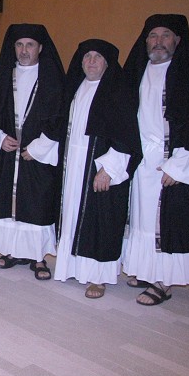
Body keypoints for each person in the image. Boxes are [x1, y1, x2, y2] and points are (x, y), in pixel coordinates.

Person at [122, 14, 189, 306]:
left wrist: (179, 165)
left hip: (173, 160)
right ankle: (147, 270)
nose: (159, 41)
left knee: (169, 222)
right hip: (143, 161)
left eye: (166, 35)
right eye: (153, 35)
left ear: (177, 39)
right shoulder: (137, 71)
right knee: (142, 218)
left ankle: (164, 281)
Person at [54, 39, 142, 298]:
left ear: (107, 63)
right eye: (87, 56)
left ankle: (99, 277)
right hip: (74, 166)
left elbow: (126, 136)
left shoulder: (117, 91)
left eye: (97, 57)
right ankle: (72, 266)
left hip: (100, 166)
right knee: (73, 215)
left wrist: (108, 170)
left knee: (102, 220)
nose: (91, 61)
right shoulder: (76, 87)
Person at [0, 24, 64, 280]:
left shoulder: (52, 78)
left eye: (30, 45)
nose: (24, 50)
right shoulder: (2, 76)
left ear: (40, 47)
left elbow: (60, 117)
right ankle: (12, 251)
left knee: (37, 203)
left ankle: (38, 258)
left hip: (38, 153)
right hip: (8, 151)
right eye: (19, 45)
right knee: (6, 202)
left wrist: (38, 147)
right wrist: (0, 137)